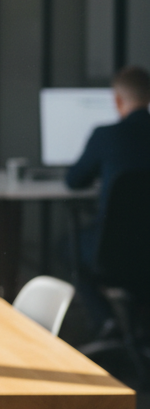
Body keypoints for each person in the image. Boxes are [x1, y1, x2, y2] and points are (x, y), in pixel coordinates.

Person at [66, 65, 150, 335]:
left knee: (67, 246)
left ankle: (105, 319)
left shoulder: (106, 135)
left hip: (113, 251)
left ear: (117, 100)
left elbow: (74, 180)